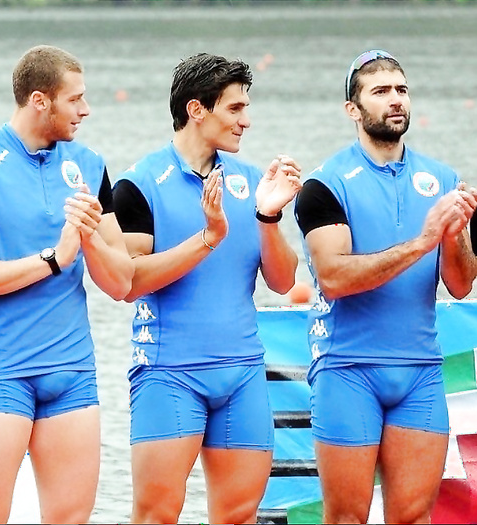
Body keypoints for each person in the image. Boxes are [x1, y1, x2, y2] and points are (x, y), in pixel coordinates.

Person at [112, 52, 302, 524]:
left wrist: (268, 217)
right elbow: (130, 282)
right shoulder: (138, 185)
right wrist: (207, 238)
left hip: (241, 374)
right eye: (235, 108)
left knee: (238, 515)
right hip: (168, 373)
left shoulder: (251, 182)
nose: (246, 121)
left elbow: (282, 282)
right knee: (157, 515)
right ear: (197, 109)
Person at [0, 45, 134, 524]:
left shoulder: (89, 165)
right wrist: (53, 259)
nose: (86, 109)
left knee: (71, 520)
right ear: (40, 100)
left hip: (70, 373)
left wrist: (90, 238)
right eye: (74, 99)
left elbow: (122, 283)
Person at [295, 49, 477, 524]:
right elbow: (335, 278)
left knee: (413, 519)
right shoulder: (324, 185)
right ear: (353, 109)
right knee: (346, 518)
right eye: (380, 92)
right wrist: (424, 241)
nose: (395, 100)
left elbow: (460, 285)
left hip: (419, 372)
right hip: (348, 370)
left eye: (401, 89)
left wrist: (455, 235)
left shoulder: (442, 180)